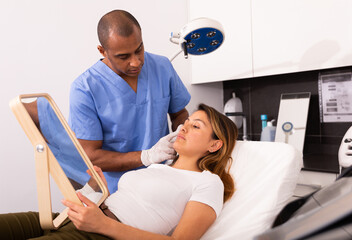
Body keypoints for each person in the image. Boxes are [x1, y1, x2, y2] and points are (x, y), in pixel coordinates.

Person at [0, 103, 238, 240]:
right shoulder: (158, 167)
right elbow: (119, 205)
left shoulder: (209, 183)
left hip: (99, 235)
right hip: (73, 219)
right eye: (186, 123)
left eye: (195, 126)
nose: (183, 127)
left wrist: (103, 226)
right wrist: (96, 189)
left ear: (214, 145)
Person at [68, 9, 191, 193]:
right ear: (103, 51)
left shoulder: (162, 67)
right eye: (123, 57)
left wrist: (182, 136)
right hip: (117, 193)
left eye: (139, 49)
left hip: (163, 183)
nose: (136, 62)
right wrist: (146, 157)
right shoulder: (85, 88)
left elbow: (179, 113)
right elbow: (91, 156)